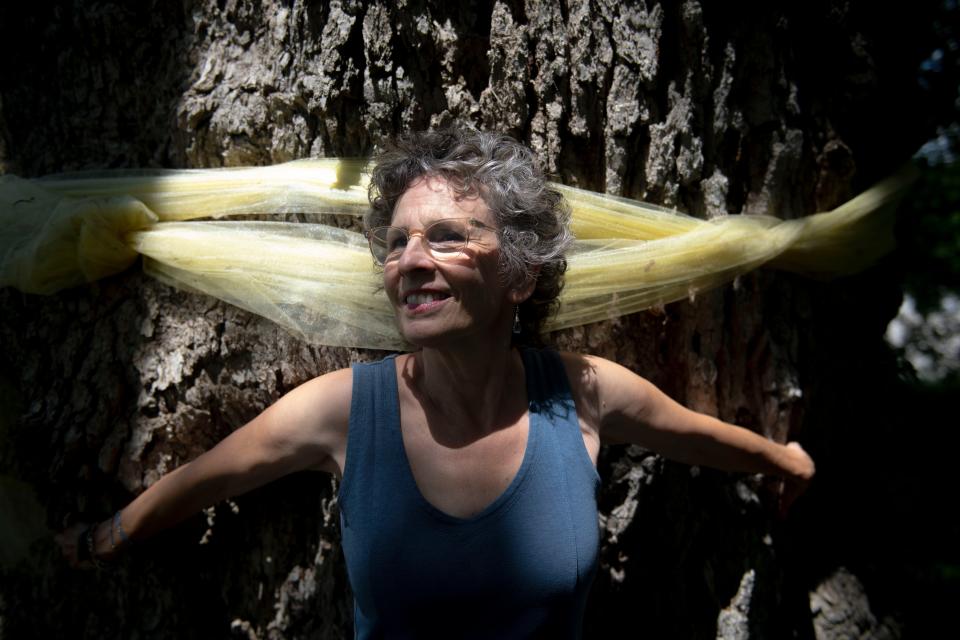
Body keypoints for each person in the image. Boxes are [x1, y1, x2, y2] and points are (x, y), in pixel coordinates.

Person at [57, 128, 815, 638]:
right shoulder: (347, 412)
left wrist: (785, 462)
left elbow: (696, 436)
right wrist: (103, 539)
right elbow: (203, 481)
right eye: (397, 243)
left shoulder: (579, 394)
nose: (410, 262)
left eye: (447, 238)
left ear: (518, 273)